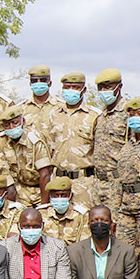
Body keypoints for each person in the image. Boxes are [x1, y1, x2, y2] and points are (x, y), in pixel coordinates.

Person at [50, 71, 99, 207]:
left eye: (75, 87)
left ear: (83, 90)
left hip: (84, 182)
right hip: (58, 181)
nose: (70, 91)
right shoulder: (54, 115)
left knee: (84, 222)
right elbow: (50, 146)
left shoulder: (94, 116)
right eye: (67, 87)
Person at [0, 106, 53, 207]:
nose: (12, 127)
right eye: (7, 125)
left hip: (40, 188)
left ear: (23, 122)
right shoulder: (1, 141)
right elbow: (3, 172)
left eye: (15, 123)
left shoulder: (35, 140)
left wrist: (44, 206)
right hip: (19, 189)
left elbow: (45, 175)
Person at [91, 68, 128, 215]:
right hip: (98, 183)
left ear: (119, 87)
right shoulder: (100, 116)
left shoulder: (127, 114)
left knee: (114, 228)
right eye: (100, 88)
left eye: (108, 87)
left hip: (116, 184)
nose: (103, 91)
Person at [115, 97, 140, 249]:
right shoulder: (127, 145)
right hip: (126, 206)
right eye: (132, 115)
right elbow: (119, 180)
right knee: (124, 252)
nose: (135, 119)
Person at [18, 64, 61, 147]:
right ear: (30, 83)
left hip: (54, 157)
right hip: (30, 157)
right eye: (34, 80)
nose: (38, 83)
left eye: (43, 80)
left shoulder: (61, 108)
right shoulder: (20, 109)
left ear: (50, 83)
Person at [39, 176, 91, 244]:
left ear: (71, 196)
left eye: (64, 195)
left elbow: (84, 243)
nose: (60, 198)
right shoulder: (41, 213)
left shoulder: (82, 215)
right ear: (50, 196)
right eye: (56, 195)